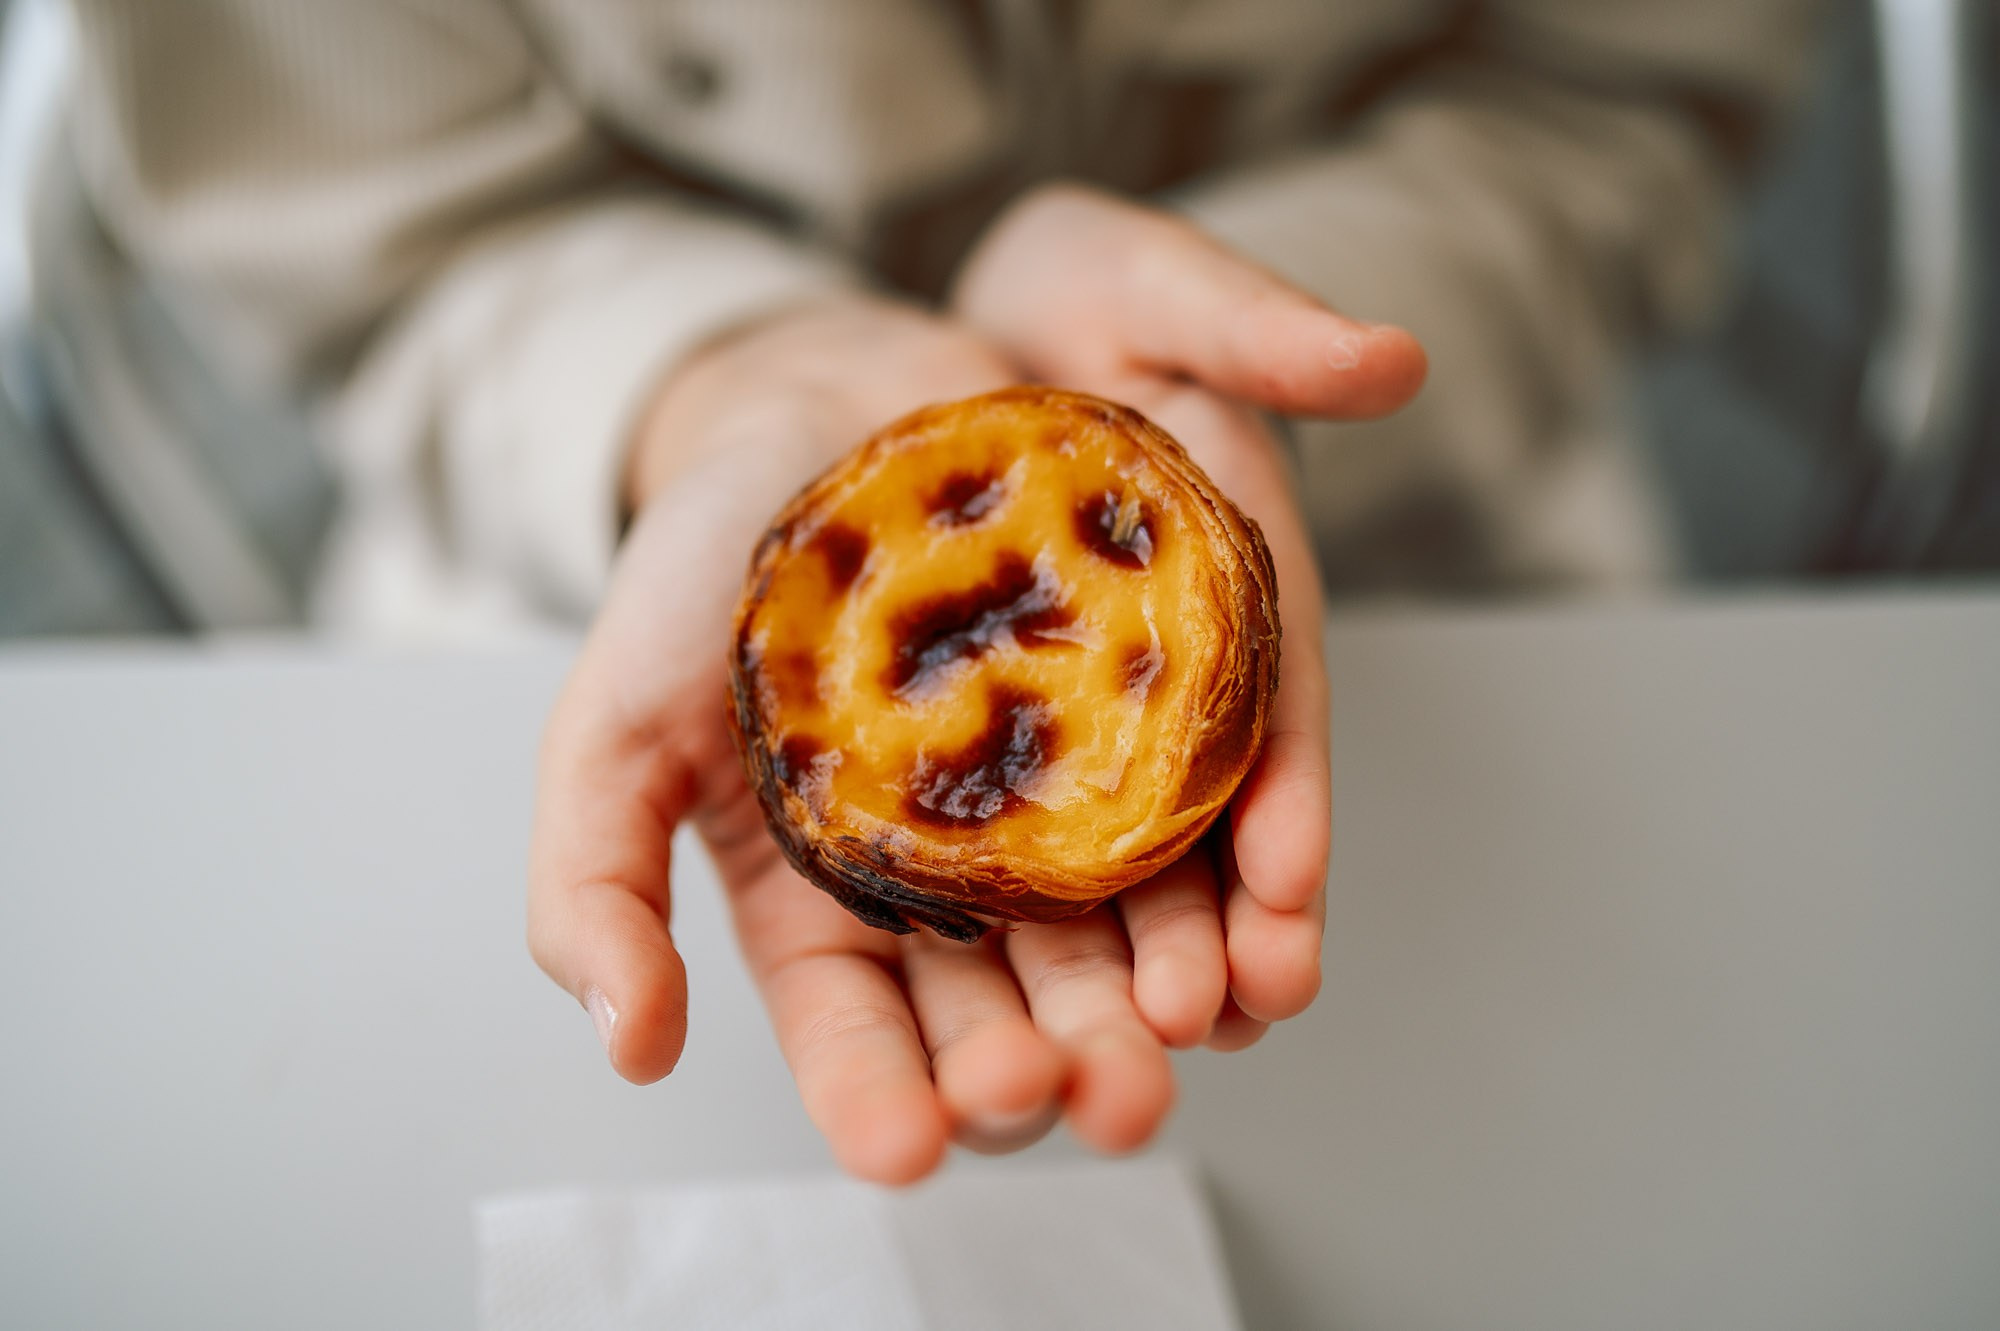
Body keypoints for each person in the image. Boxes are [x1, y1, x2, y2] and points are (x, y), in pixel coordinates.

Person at [32, 0, 1820, 1180]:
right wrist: (707, 381)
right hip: (581, 532)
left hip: (1436, 544)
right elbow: (378, 248)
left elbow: (1626, 107)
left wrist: (1258, 309)